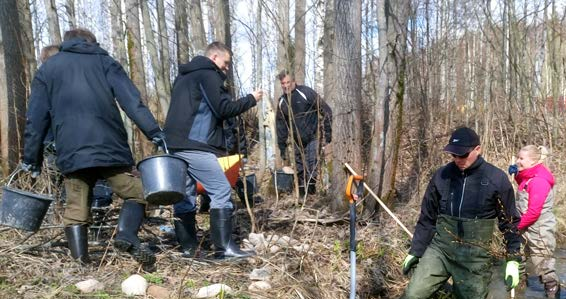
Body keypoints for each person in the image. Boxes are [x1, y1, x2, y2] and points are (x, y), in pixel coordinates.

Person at [20, 28, 163, 265]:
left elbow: (36, 118)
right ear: (91, 42)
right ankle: (126, 234)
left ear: (65, 43)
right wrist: (155, 133)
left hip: (72, 151)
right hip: (110, 148)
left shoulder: (49, 68)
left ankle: (82, 264)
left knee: (76, 207)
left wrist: (31, 157)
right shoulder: (106, 62)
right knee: (139, 193)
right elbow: (132, 102)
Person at [388, 127, 522, 299]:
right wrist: (416, 251)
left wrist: (513, 258)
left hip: (475, 254)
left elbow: (510, 222)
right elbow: (427, 218)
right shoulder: (441, 176)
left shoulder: (496, 179)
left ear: (478, 150)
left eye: (463, 154)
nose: (458, 160)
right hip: (440, 249)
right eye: (454, 155)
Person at [164, 41, 263, 259]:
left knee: (186, 196)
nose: (226, 69)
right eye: (226, 63)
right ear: (215, 58)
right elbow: (223, 108)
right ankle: (224, 248)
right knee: (220, 190)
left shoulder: (183, 76)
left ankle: (189, 250)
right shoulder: (208, 74)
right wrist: (250, 100)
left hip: (173, 144)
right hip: (195, 145)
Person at [511, 144, 559, 298]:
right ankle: (519, 293)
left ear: (533, 161)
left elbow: (533, 212)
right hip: (526, 227)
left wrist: (516, 227)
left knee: (544, 266)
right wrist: (517, 173)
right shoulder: (529, 175)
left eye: (521, 158)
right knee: (520, 259)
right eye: (518, 157)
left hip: (539, 230)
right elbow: (524, 183)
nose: (518, 160)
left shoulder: (539, 181)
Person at [275, 70, 332, 196]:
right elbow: (280, 126)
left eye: (288, 82)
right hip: (296, 140)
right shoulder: (282, 102)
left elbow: (326, 110)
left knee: (312, 166)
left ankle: (311, 194)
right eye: (283, 83)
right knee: (300, 168)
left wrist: (328, 134)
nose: (286, 86)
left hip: (313, 136)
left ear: (294, 81)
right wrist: (282, 147)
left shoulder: (306, 92)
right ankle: (302, 195)